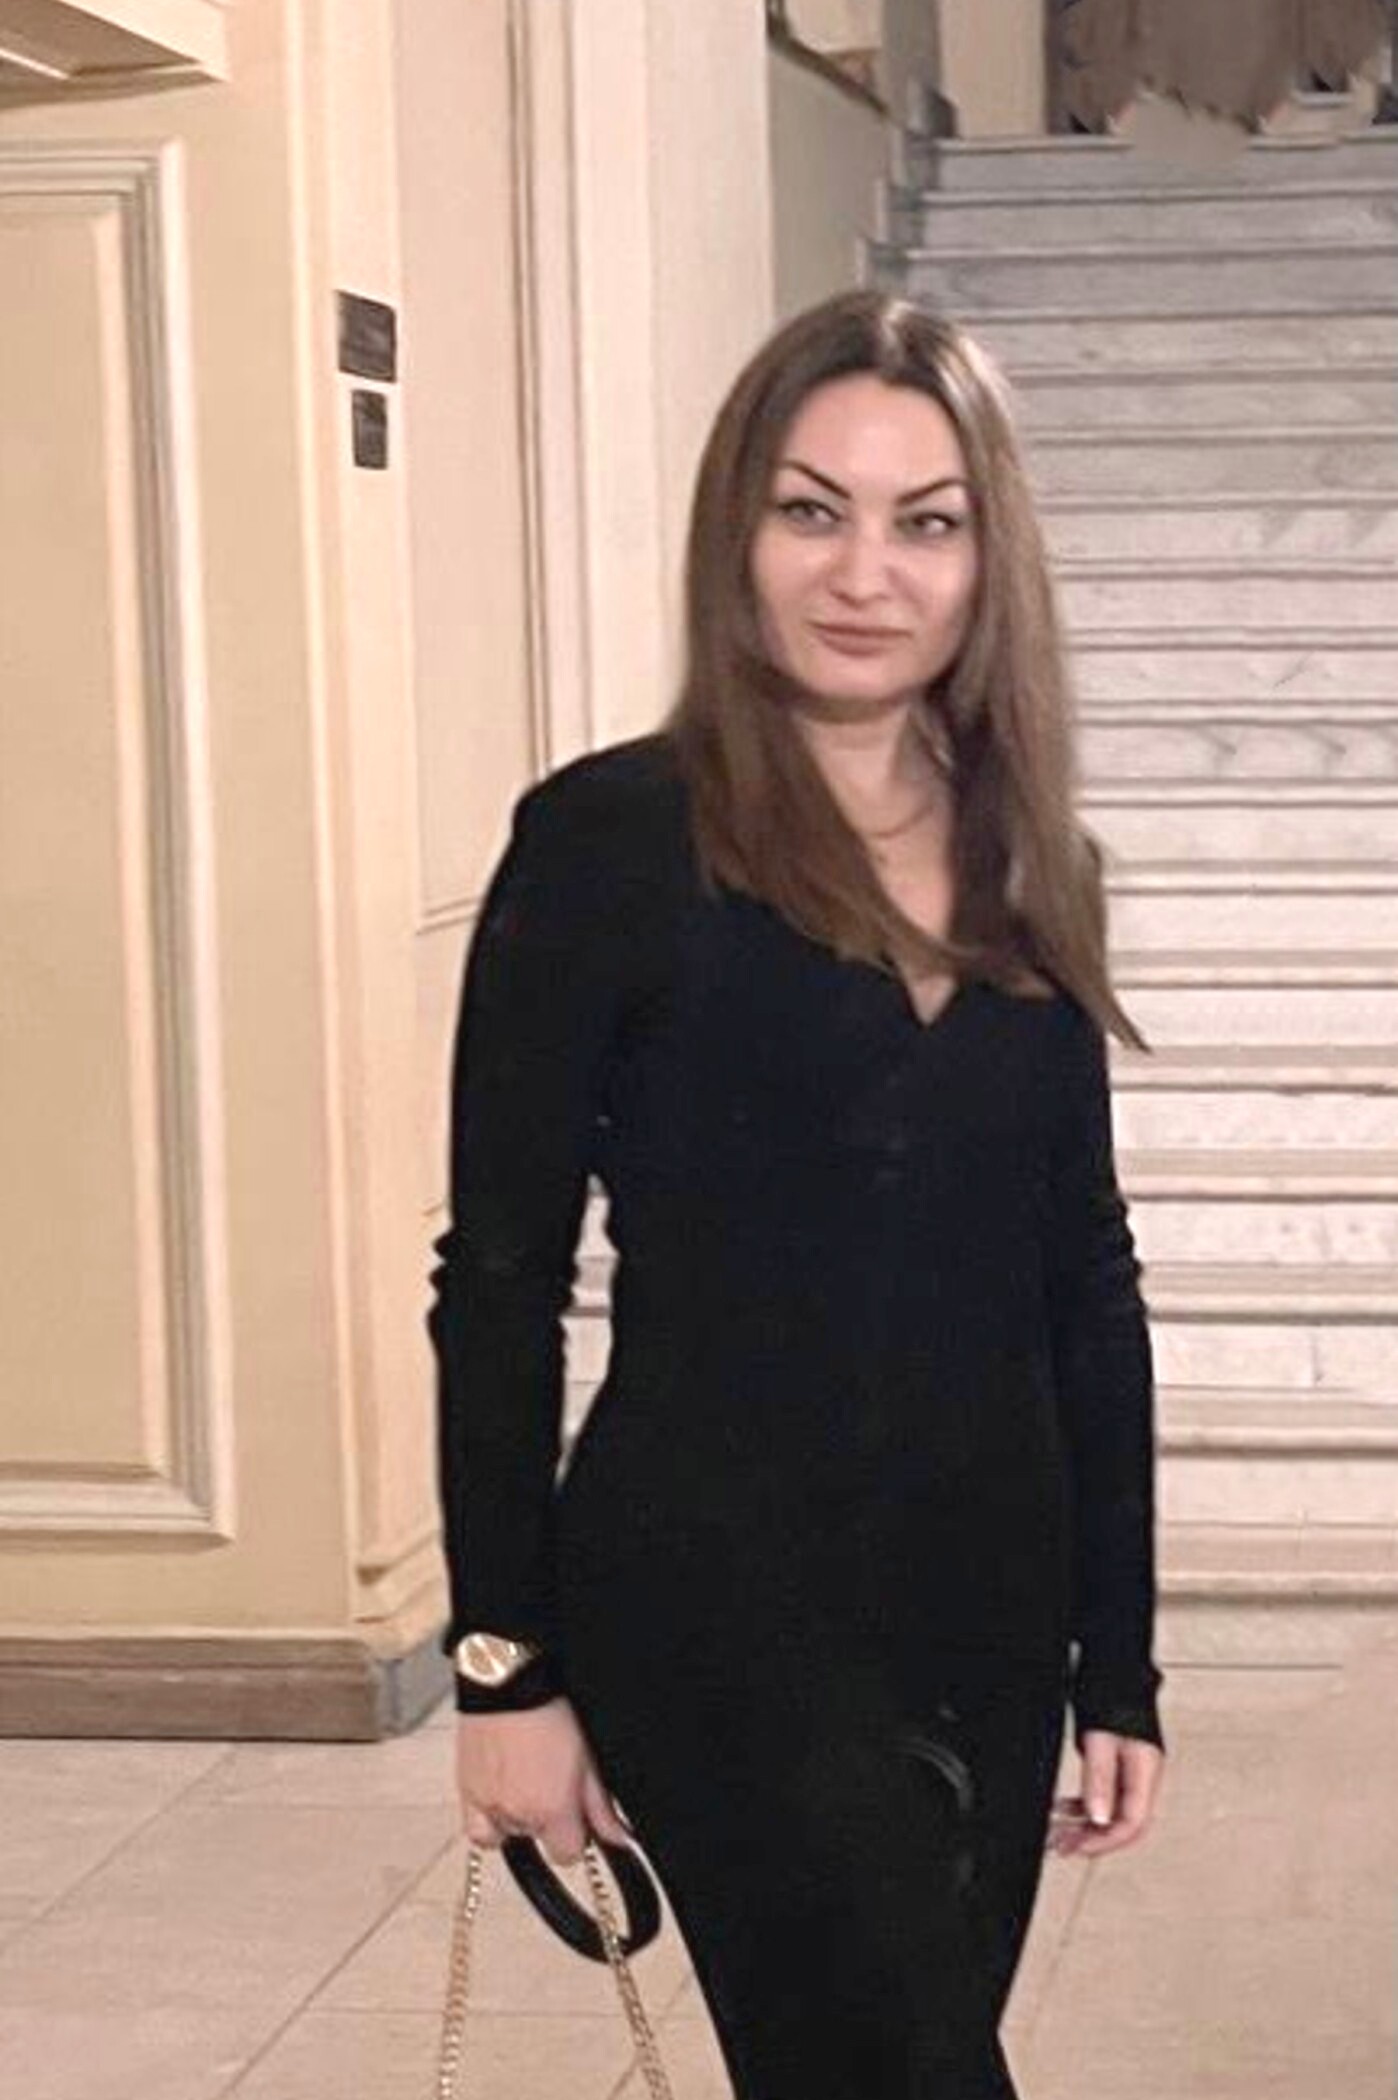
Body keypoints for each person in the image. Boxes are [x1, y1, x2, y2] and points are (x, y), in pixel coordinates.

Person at [427, 287, 1167, 2100]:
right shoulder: (608, 842)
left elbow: (1083, 1274)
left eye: (926, 522)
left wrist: (1119, 1662)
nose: (863, 573)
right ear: (736, 533)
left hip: (986, 1600)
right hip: (713, 1589)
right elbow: (500, 1276)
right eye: (810, 509)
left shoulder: (1032, 859)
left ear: (986, 560)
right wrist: (503, 1669)